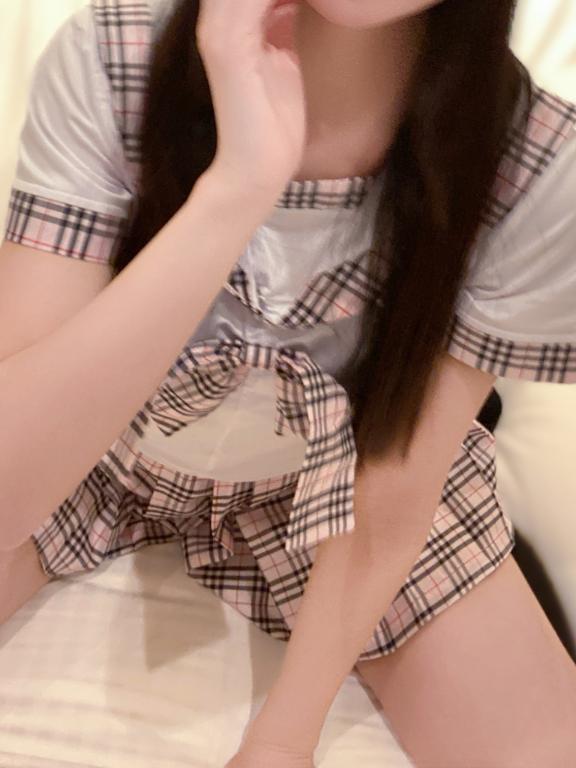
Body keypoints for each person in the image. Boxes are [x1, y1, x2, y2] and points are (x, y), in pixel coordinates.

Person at [1, 0, 575, 765]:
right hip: (103, 436)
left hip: (339, 478)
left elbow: (396, 485)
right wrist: (237, 188)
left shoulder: (533, 160)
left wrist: (281, 739)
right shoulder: (119, 53)